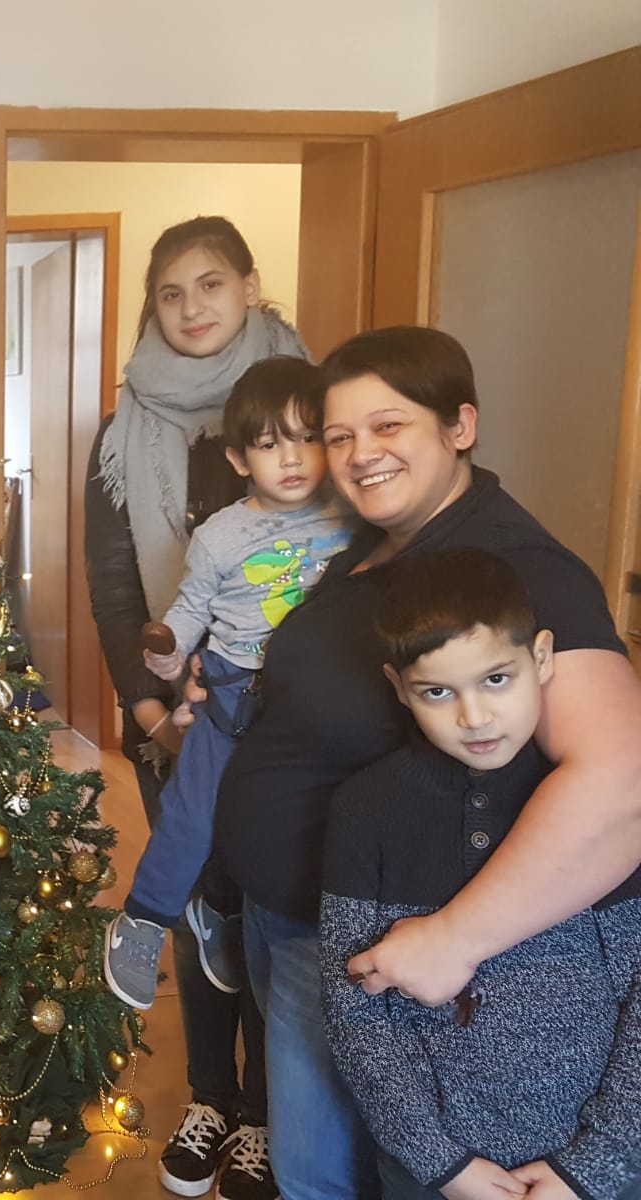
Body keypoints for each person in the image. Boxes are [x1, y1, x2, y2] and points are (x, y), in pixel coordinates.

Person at [211, 326, 641, 1200]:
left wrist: (455, 939)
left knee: (332, 1180)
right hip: (289, 918)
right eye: (339, 435)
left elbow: (621, 785)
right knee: (314, 1170)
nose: (359, 454)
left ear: (460, 426)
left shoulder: (514, 570)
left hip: (375, 949)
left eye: (388, 426)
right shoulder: (377, 546)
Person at [85, 216, 305, 1200]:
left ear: (249, 286)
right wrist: (146, 708)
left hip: (298, 721)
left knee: (274, 912)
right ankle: (211, 1098)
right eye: (170, 293)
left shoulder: (309, 405)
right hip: (177, 710)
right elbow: (112, 582)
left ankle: (264, 1116)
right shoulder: (124, 426)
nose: (191, 307)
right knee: (192, 897)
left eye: (211, 283)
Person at [321, 548, 641, 1200]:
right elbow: (354, 1007)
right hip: (433, 1174)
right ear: (399, 686)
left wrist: (597, 1164)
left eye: (496, 679)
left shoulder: (596, 808)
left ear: (542, 658)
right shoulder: (365, 809)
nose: (474, 718)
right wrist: (441, 1162)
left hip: (598, 1173)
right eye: (438, 692)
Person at [103, 356, 350, 1013]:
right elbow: (190, 610)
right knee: (194, 813)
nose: (291, 458)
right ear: (240, 459)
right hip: (232, 690)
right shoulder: (221, 535)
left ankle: (220, 909)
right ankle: (143, 920)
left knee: (271, 818)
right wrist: (168, 656)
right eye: (270, 445)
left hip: (309, 698)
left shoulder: (350, 519)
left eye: (307, 438)